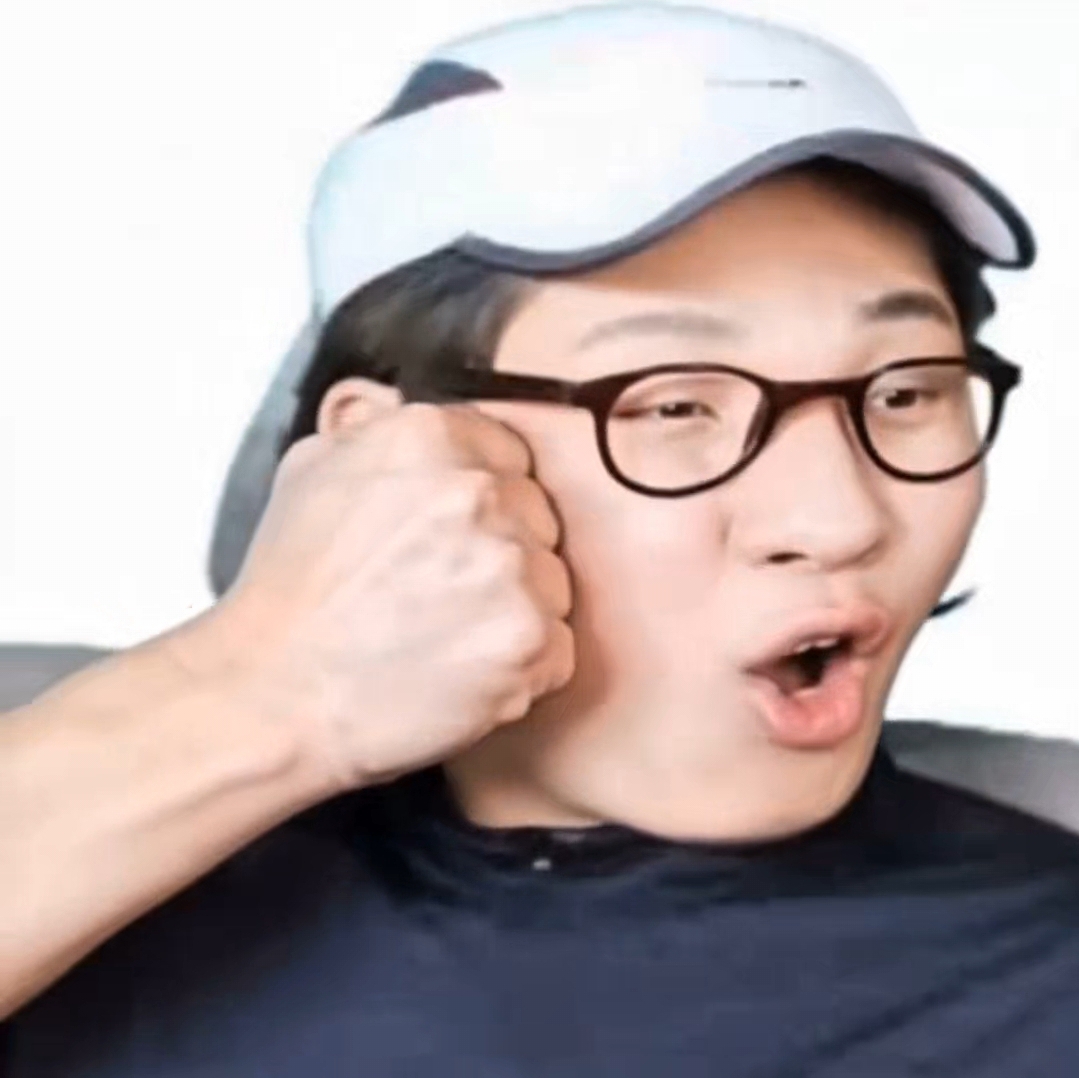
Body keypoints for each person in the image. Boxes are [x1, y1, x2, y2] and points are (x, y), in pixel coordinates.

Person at [3, 4, 1077, 1074]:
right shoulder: (94, 869)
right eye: (671, 405)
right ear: (385, 460)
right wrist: (259, 693)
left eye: (904, 392)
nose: (840, 519)